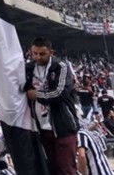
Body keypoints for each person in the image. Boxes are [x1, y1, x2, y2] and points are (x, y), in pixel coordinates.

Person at [24, 36, 79, 175]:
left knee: (66, 170)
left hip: (63, 127)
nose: (37, 57)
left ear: (51, 52)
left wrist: (38, 95)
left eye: (42, 54)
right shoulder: (28, 68)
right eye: (34, 53)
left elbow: (60, 93)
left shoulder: (61, 67)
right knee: (51, 170)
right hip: (42, 128)